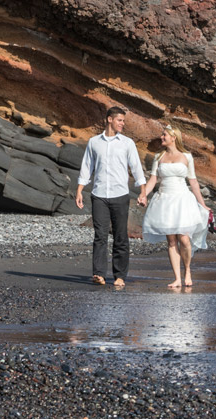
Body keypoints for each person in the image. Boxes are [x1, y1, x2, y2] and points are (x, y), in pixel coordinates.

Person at [76, 106, 147, 288]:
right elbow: (86, 167)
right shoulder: (94, 142)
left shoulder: (127, 143)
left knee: (120, 236)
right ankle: (98, 274)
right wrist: (79, 190)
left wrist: (143, 192)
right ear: (109, 119)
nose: (123, 124)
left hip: (120, 195)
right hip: (99, 195)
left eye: (123, 121)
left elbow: (136, 168)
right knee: (99, 235)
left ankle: (119, 275)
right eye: (120, 120)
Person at [139, 125, 211, 288]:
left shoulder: (187, 156)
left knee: (184, 239)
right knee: (171, 240)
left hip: (182, 199)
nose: (161, 137)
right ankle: (177, 277)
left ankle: (187, 271)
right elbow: (153, 180)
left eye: (164, 135)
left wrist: (203, 204)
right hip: (165, 200)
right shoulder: (158, 157)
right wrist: (144, 194)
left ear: (173, 138)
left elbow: (193, 181)